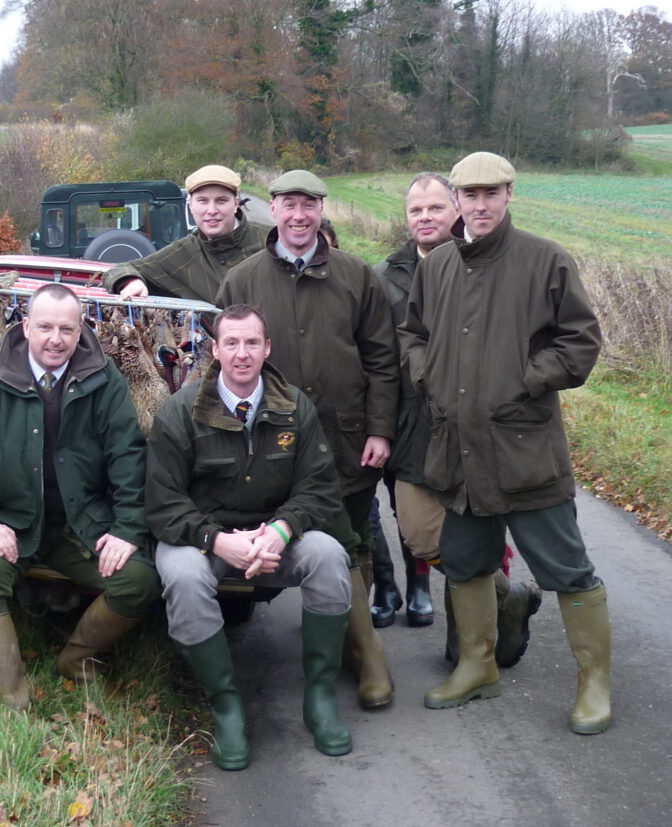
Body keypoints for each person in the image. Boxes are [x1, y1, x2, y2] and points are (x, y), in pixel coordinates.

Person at [400, 152, 610, 734]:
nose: (481, 204)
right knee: (466, 563)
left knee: (566, 567)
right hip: (457, 453)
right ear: (458, 201)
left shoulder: (545, 260)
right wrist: (428, 377)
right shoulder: (436, 266)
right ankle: (477, 665)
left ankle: (593, 683)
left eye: (492, 193)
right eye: (470, 195)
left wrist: (524, 381)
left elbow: (580, 343)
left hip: (525, 451)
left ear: (510, 194)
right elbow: (411, 334)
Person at [216, 170, 399, 710]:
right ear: (270, 209)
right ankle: (359, 650)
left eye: (309, 205)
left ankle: (363, 653)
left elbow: (383, 360)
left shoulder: (357, 276)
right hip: (273, 446)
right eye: (288, 204)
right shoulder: (241, 279)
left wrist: (380, 429)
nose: (298, 215)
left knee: (353, 540)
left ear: (322, 210)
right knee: (313, 540)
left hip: (348, 439)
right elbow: (224, 364)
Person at [0, 283, 161, 710]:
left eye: (66, 329)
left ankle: (77, 661)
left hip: (82, 522)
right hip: (8, 521)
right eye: (44, 327)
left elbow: (129, 459)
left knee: (139, 580)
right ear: (25, 327)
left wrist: (128, 529)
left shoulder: (104, 382)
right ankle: (12, 701)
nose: (55, 339)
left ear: (80, 331)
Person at [147, 304, 354, 765]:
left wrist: (281, 530)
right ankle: (225, 705)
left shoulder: (295, 407)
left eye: (252, 343)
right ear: (215, 350)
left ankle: (319, 697)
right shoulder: (181, 411)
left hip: (275, 534)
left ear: (267, 348)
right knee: (181, 574)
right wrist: (218, 541)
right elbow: (162, 503)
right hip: (206, 538)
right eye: (232, 344)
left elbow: (319, 488)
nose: (243, 354)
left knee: (328, 555)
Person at [376, 173, 542, 661]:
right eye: (415, 210)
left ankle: (473, 649)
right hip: (415, 430)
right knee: (421, 530)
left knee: (478, 528)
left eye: (435, 208)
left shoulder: (490, 262)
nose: (425, 218)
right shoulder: (385, 275)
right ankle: (506, 595)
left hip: (481, 428)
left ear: (455, 209)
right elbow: (380, 361)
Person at [102, 165, 270, 304]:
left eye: (221, 201)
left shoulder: (271, 240)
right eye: (202, 201)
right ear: (190, 205)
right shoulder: (181, 255)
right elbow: (119, 270)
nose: (211, 210)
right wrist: (131, 281)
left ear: (236, 204)